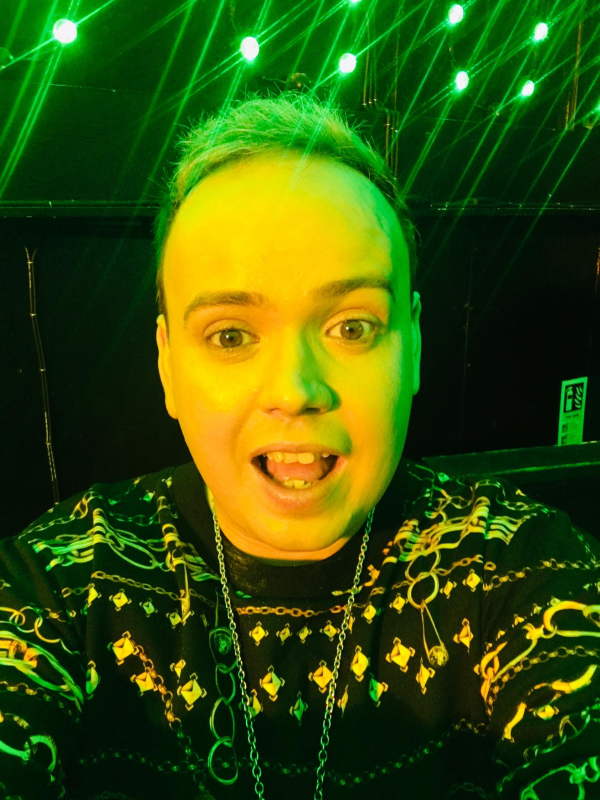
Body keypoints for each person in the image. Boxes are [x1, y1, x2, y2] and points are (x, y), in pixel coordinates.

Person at [1, 91, 599, 800]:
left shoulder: (520, 569)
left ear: (412, 346)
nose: (295, 390)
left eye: (351, 327)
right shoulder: (62, 588)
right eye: (231, 335)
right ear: (166, 365)